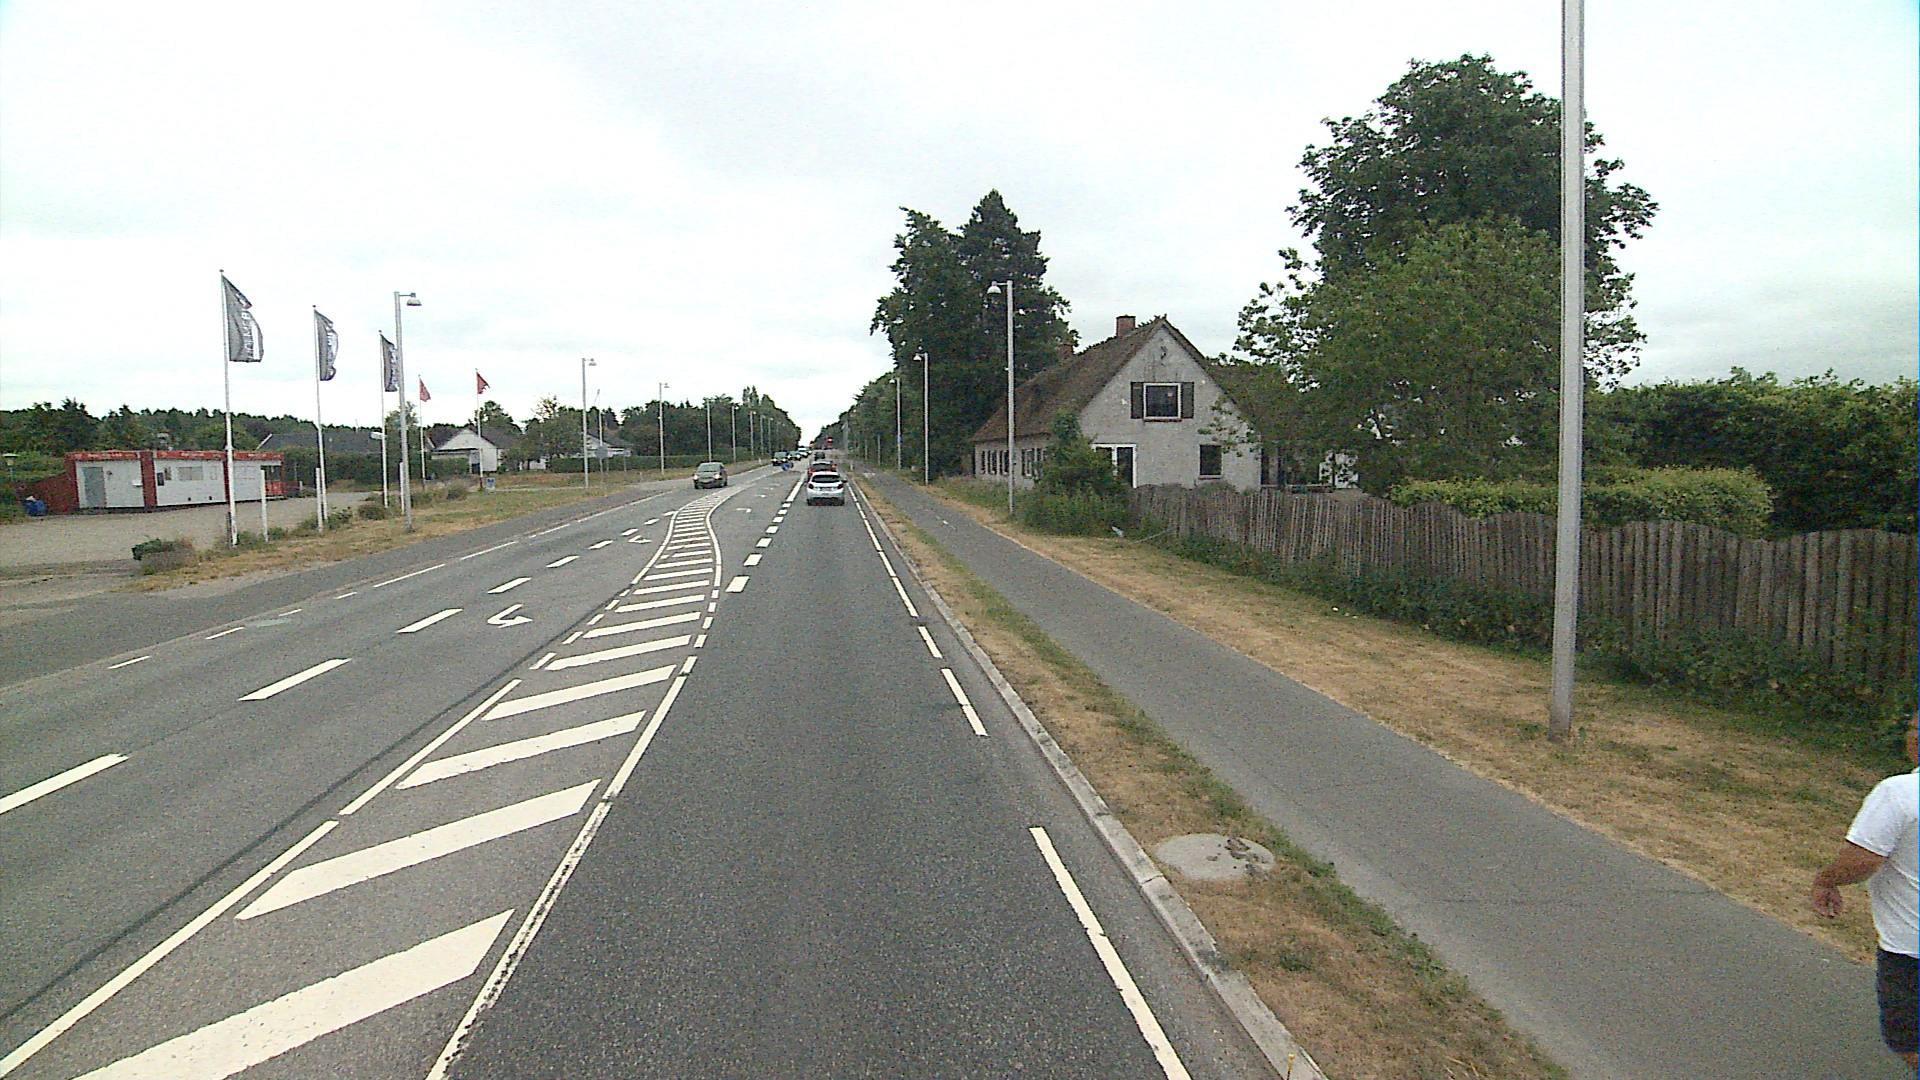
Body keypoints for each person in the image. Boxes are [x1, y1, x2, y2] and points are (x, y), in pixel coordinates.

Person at [1812, 715, 1918, 1068]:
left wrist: (1826, 880)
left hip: (1912, 947)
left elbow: (1863, 859)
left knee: (1910, 1041)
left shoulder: (1900, 793)